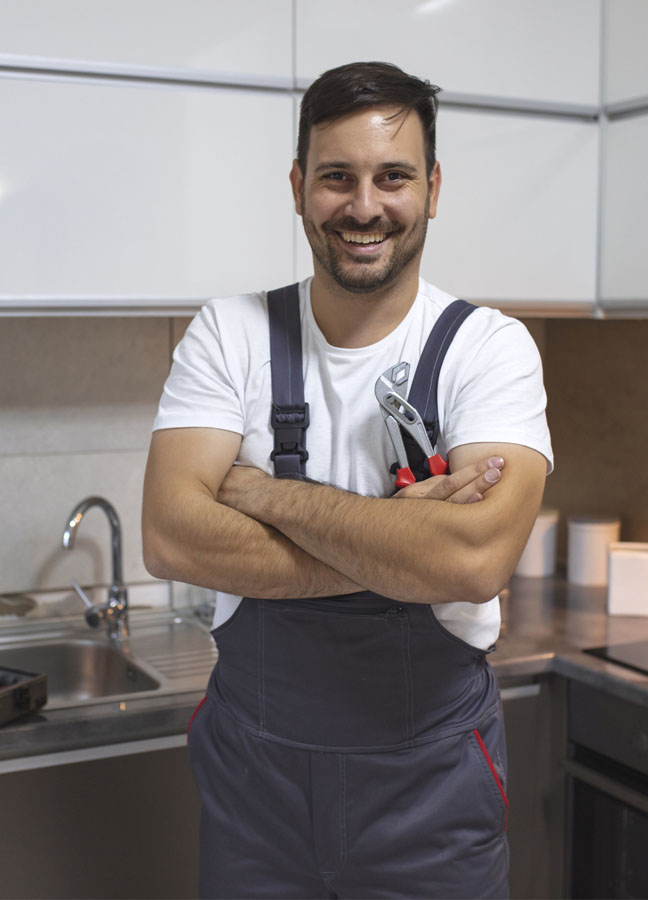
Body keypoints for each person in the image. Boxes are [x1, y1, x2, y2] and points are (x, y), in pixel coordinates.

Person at [143, 61, 552, 900]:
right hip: (255, 794)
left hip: (430, 797)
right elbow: (171, 534)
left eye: (392, 177)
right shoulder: (232, 335)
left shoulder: (489, 350)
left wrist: (258, 494)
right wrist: (404, 546)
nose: (364, 207)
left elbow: (473, 563)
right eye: (337, 177)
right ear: (299, 188)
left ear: (432, 189)